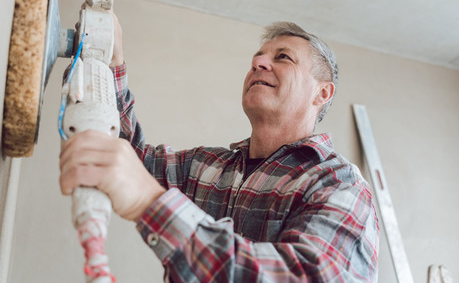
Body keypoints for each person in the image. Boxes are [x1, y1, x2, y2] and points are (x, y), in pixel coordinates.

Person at [59, 17, 380, 282]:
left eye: (282, 57)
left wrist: (149, 202)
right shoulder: (209, 167)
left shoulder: (340, 185)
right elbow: (130, 161)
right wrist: (113, 64)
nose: (258, 62)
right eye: (258, 56)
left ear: (322, 93)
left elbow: (303, 277)